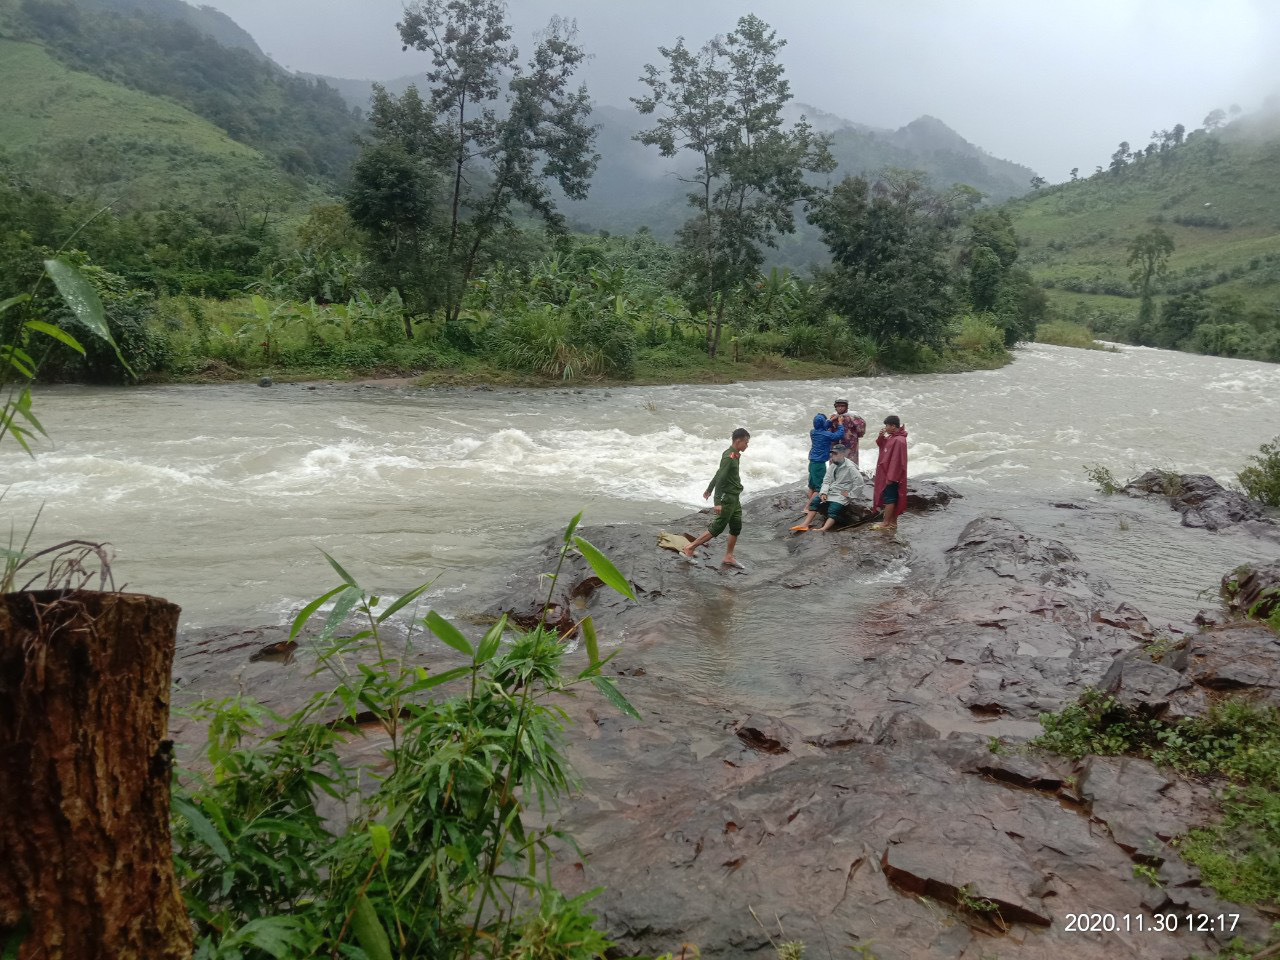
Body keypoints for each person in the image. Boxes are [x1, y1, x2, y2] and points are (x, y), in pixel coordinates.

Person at [682, 427, 750, 567]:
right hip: (727, 498)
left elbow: (719, 473)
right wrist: (717, 501)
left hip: (735, 498)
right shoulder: (729, 457)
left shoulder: (734, 454)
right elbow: (721, 478)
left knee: (736, 527)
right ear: (738, 441)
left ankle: (729, 557)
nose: (747, 445)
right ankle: (690, 548)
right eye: (746, 442)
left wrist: (709, 488)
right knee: (718, 527)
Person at [790, 444, 863, 532]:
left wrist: (851, 494)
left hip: (841, 493)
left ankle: (824, 528)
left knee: (834, 509)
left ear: (843, 454)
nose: (833, 456)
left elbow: (859, 482)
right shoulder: (833, 465)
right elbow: (826, 480)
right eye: (832, 454)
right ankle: (805, 524)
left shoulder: (850, 467)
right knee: (815, 501)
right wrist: (824, 492)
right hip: (831, 490)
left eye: (836, 454)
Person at [872, 415, 908, 532]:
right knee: (892, 498)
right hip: (887, 473)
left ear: (893, 426)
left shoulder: (899, 440)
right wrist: (881, 437)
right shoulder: (893, 437)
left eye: (887, 425)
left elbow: (897, 461)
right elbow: (883, 446)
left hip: (892, 475)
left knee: (890, 499)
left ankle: (886, 522)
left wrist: (891, 477)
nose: (885, 428)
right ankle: (892, 522)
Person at [804, 413, 845, 499]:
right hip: (819, 465)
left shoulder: (813, 432)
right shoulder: (827, 435)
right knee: (819, 488)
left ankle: (809, 503)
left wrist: (830, 421)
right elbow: (839, 435)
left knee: (811, 486)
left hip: (812, 463)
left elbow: (822, 427)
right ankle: (809, 507)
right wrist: (840, 424)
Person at [830, 398, 867, 465]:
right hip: (836, 445)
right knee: (835, 465)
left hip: (850, 446)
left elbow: (861, 430)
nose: (840, 408)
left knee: (850, 465)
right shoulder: (833, 417)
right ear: (835, 407)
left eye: (842, 406)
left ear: (846, 407)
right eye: (838, 406)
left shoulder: (854, 417)